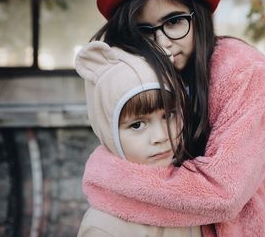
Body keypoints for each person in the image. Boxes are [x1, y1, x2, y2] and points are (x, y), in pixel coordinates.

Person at [81, 0, 265, 236]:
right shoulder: (143, 75)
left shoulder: (242, 70)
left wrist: (106, 178)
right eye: (143, 30)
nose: (162, 43)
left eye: (173, 22)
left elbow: (223, 192)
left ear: (198, 16)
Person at [75, 41, 201, 237]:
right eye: (137, 125)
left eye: (168, 115)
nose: (161, 136)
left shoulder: (195, 197)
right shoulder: (103, 227)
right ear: (109, 133)